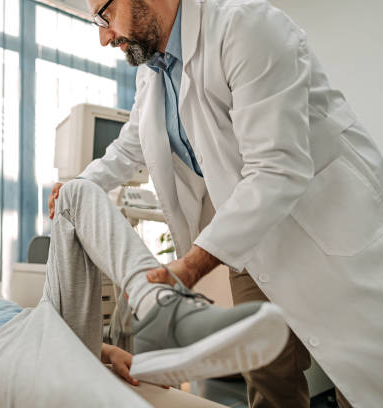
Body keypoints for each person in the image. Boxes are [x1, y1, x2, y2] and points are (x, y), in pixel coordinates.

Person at [48, 0, 383, 407]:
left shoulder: (245, 26)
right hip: (253, 242)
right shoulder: (153, 74)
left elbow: (277, 169)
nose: (104, 37)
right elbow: (130, 146)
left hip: (326, 226)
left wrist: (189, 266)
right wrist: (81, 184)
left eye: (104, 15)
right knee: (269, 377)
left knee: (363, 374)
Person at [0, 179, 288, 407]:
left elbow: (44, 330)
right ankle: (154, 330)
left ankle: (160, 310)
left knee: (75, 191)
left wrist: (109, 353)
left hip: (43, 325)